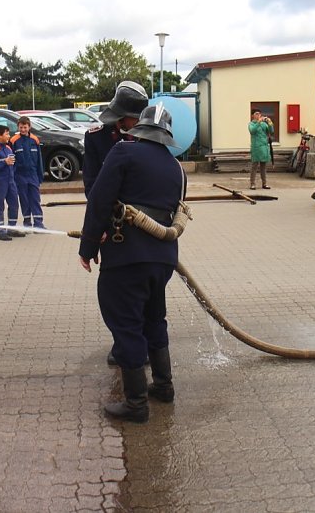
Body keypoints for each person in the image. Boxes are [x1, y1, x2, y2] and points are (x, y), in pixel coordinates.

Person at [78, 104, 185, 423]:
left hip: (126, 256)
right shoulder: (176, 167)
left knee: (126, 324)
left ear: (139, 129)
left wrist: (88, 245)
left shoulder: (124, 152)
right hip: (163, 259)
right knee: (154, 318)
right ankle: (163, 386)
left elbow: (99, 200)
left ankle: (136, 404)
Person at [82, 81, 149, 367]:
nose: (124, 123)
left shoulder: (152, 136)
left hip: (147, 228)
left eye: (129, 118)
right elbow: (93, 188)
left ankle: (141, 346)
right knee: (115, 292)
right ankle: (124, 344)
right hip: (115, 229)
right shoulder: (96, 138)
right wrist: (98, 230)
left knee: (145, 290)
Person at [82, 81, 148, 197]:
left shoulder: (147, 137)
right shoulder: (96, 138)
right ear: (121, 116)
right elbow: (91, 185)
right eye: (135, 117)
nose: (139, 121)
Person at [0, 125, 24, 241]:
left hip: (11, 181)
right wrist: (4, 162)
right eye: (6, 134)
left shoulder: (8, 148)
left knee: (14, 204)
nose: (9, 136)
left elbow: (12, 163)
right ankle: (0, 231)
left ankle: (11, 228)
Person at [10, 116, 45, 231]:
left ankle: (38, 224)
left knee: (35, 199)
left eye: (25, 127)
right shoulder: (14, 141)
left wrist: (40, 175)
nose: (23, 130)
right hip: (20, 176)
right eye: (21, 127)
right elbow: (12, 160)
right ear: (18, 127)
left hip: (33, 175)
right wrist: (13, 177)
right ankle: (27, 223)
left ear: (29, 127)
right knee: (24, 200)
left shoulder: (35, 140)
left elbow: (39, 159)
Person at [247, 110, 272, 190]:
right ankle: (252, 184)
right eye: (256, 114)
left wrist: (270, 123)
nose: (258, 115)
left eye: (259, 114)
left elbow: (271, 131)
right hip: (256, 147)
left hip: (264, 147)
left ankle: (264, 183)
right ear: (253, 115)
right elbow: (252, 131)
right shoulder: (251, 124)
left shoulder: (264, 124)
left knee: (263, 167)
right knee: (254, 166)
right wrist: (258, 122)